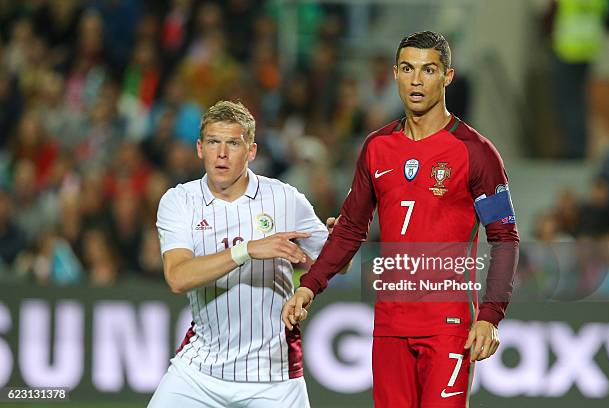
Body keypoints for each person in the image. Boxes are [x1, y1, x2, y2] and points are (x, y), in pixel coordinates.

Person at [282, 31, 520, 407]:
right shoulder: (378, 147)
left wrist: (490, 315)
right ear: (394, 73)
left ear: (448, 77)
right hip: (390, 324)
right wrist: (309, 285)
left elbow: (505, 237)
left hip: (448, 324)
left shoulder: (476, 153)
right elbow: (349, 228)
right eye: (408, 68)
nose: (416, 79)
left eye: (428, 70)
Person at [149, 100, 329, 408]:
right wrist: (247, 250)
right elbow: (178, 277)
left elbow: (339, 262)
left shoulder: (284, 198)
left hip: (274, 377)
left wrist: (341, 242)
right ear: (199, 148)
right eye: (213, 142)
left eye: (233, 143)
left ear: (252, 151)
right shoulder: (179, 201)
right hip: (199, 372)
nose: (221, 153)